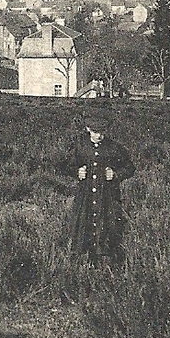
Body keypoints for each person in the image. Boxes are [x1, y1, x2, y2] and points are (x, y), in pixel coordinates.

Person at [69, 110, 136, 266]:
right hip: (85, 195)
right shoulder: (80, 146)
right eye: (95, 132)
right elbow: (67, 165)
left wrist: (116, 174)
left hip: (107, 196)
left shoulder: (114, 148)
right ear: (87, 129)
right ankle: (83, 261)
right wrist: (76, 172)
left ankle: (105, 261)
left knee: (107, 225)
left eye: (102, 132)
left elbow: (130, 167)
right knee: (84, 225)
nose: (98, 136)